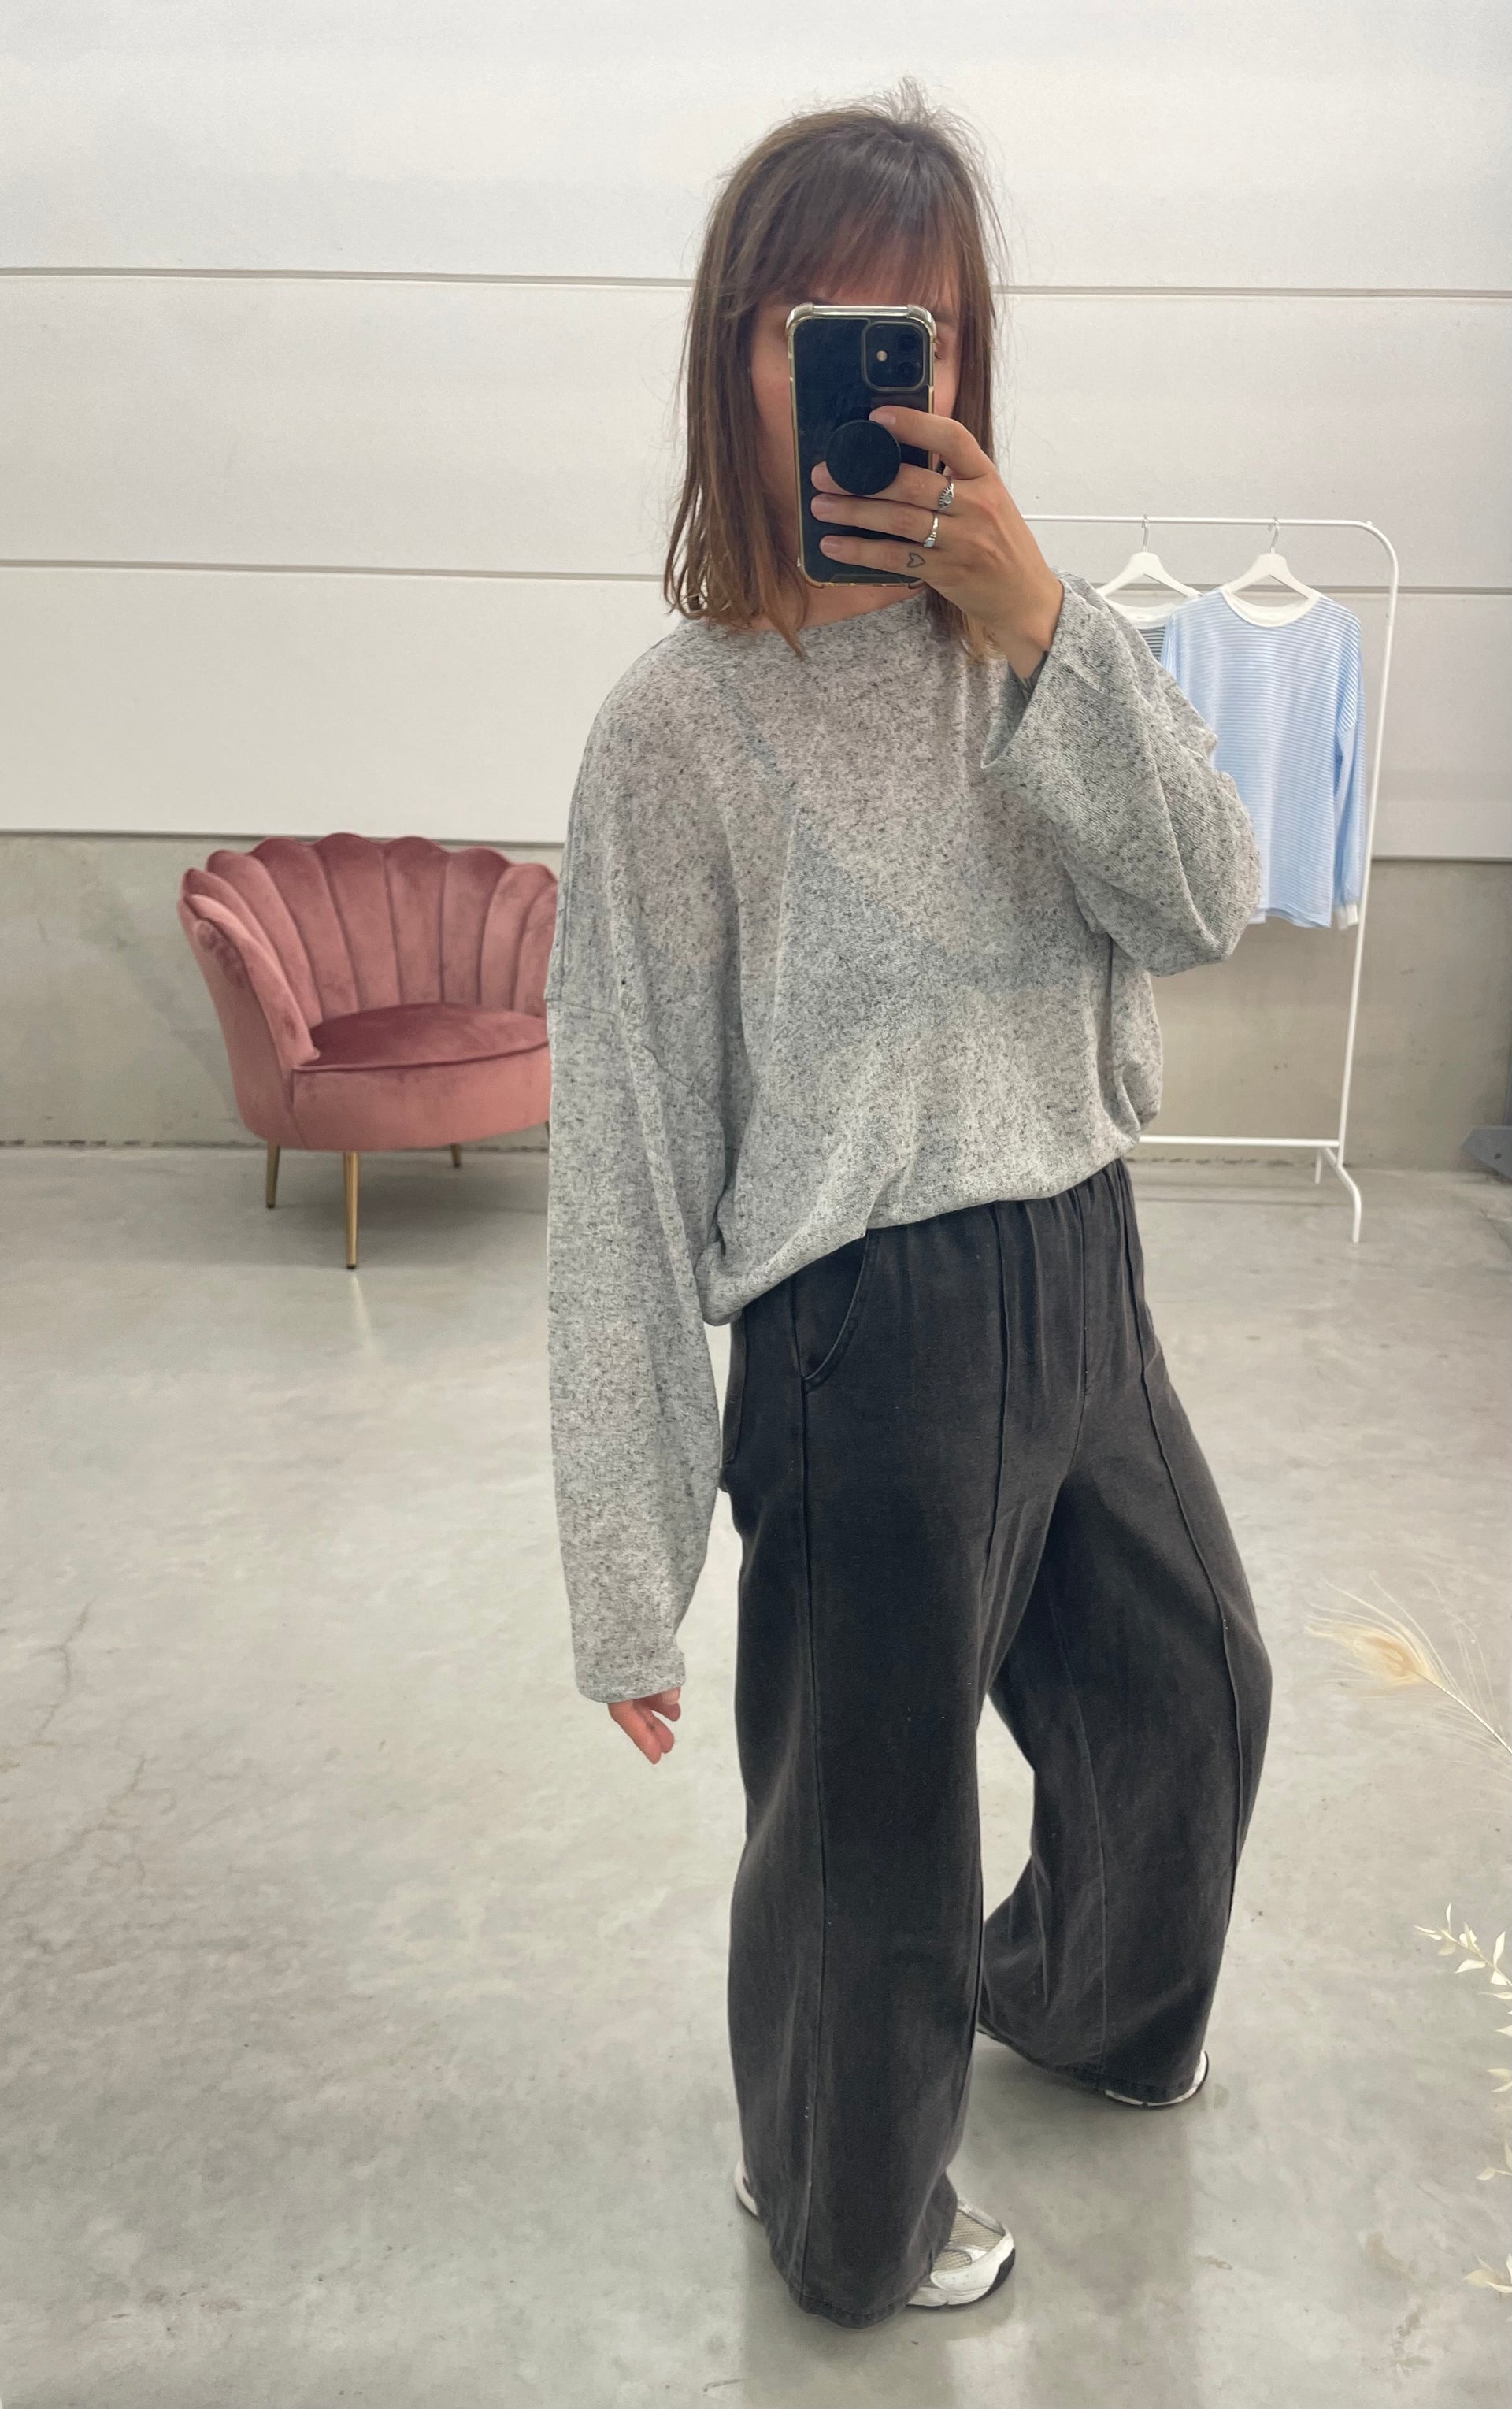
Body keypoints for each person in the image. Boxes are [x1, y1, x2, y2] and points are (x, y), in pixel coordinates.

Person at [542, 82, 1273, 2329]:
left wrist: (1042, 621)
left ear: (965, 367)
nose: (872, 379)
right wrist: (628, 1563)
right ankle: (840, 2204)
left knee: (1192, 1700)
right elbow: (624, 1148)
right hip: (864, 1334)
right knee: (871, 1837)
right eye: (821, 332)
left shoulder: (1032, 657)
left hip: (1087, 1262)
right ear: (737, 364)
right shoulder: (677, 730)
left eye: (919, 335)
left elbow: (1206, 902)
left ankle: (1075, 2003)